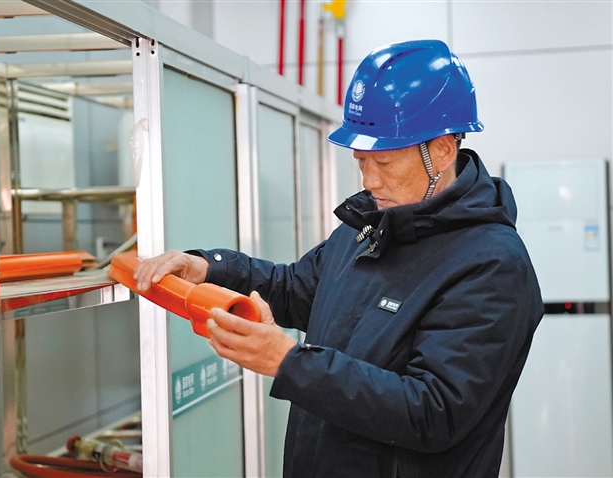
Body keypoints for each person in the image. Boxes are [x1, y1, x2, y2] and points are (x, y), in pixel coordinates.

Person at [135, 39, 543, 477]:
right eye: (361, 160)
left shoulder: (491, 265)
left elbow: (433, 411)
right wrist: (210, 267)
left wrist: (290, 363)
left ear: (442, 151)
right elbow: (295, 290)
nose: (369, 181)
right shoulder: (369, 228)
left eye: (384, 162)